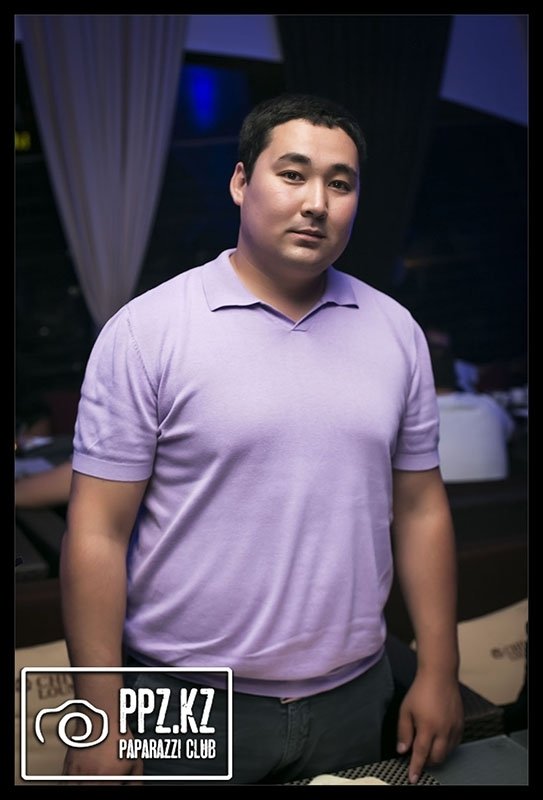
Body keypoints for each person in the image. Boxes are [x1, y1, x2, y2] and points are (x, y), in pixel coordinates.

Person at [60, 93, 463, 785]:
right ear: (241, 182)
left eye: (340, 184)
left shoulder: (395, 331)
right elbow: (97, 530)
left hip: (354, 695)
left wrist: (440, 669)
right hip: (185, 700)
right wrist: (98, 715)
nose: (316, 203)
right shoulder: (148, 331)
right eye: (293, 174)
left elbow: (422, 508)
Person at [429, 348, 515, 482]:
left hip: (439, 494)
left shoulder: (413, 415)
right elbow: (511, 434)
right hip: (497, 494)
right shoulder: (489, 405)